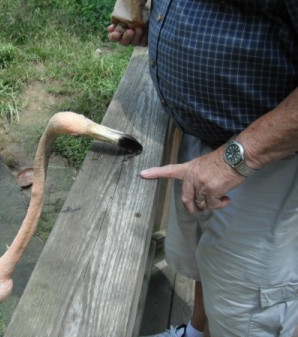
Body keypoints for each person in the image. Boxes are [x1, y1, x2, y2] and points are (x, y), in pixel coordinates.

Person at [108, 1, 298, 337]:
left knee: (246, 310)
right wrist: (162, 33)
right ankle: (198, 331)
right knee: (206, 262)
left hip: (267, 161)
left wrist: (237, 157)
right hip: (206, 141)